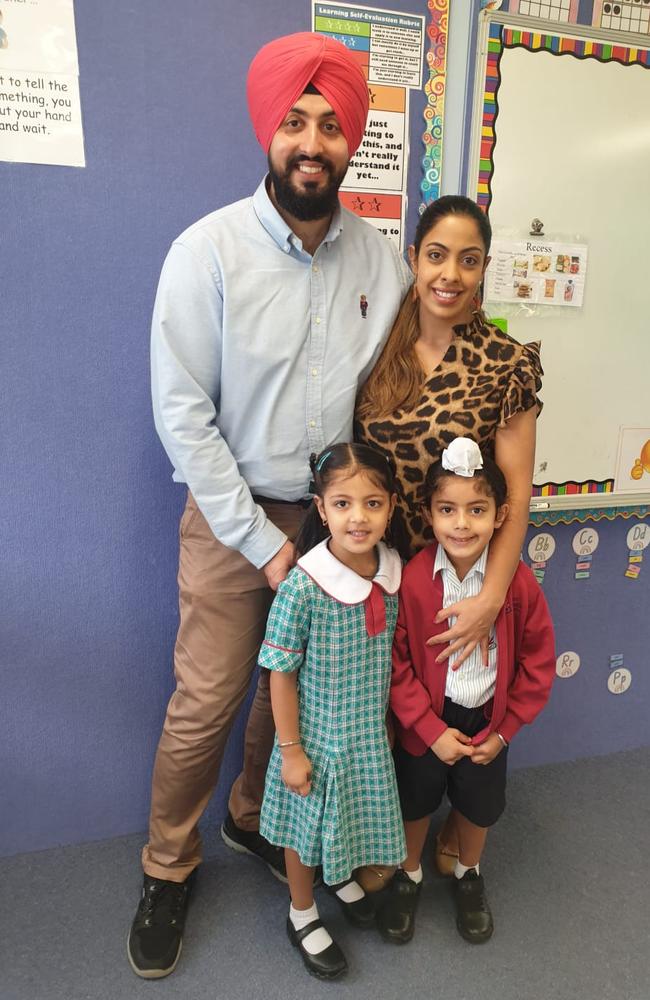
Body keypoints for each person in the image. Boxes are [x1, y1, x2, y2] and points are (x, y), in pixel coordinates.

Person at [128, 32, 411, 979]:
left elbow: (397, 395)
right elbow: (182, 414)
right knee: (210, 699)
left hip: (337, 524)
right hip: (229, 510)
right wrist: (260, 542)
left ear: (350, 145)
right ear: (269, 131)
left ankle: (254, 817)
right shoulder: (205, 252)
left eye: (332, 125)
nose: (313, 140)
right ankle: (168, 867)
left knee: (289, 698)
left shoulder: (382, 263)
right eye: (295, 120)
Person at [355, 195, 542, 878]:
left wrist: (492, 598)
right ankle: (387, 847)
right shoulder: (377, 344)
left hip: (461, 582)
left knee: (461, 710)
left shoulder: (505, 363)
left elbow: (516, 496)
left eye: (469, 260)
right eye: (436, 255)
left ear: (485, 267)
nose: (450, 274)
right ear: (414, 258)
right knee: (387, 722)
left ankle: (460, 848)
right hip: (379, 575)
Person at [376, 437, 555, 945]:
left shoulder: (516, 585)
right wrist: (429, 730)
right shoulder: (413, 581)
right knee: (413, 802)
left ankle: (468, 874)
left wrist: (505, 732)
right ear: (429, 515)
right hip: (426, 725)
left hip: (488, 727)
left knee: (479, 807)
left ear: (500, 516)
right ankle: (408, 875)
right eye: (447, 510)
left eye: (477, 510)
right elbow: (397, 666)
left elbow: (538, 662)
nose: (461, 523)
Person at [259, 443, 406, 980]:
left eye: (372, 503)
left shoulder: (394, 574)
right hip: (316, 738)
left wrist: (387, 720)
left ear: (391, 507)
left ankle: (341, 875)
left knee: (350, 816)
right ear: (321, 510)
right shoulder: (304, 585)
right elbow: (281, 672)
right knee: (305, 830)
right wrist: (291, 749)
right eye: (342, 504)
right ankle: (302, 912)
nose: (358, 517)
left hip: (366, 734)